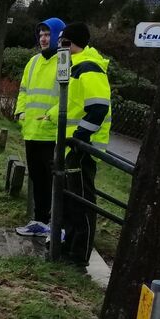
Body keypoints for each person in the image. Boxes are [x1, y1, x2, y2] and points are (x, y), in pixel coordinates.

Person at [58, 22, 112, 268]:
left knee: (82, 201)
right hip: (73, 146)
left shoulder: (89, 68)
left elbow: (98, 107)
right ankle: (69, 246)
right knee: (71, 201)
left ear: (70, 43)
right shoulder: (78, 67)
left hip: (81, 150)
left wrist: (80, 137)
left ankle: (79, 254)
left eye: (62, 41)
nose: (59, 46)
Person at [13, 17, 66, 237]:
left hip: (52, 134)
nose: (44, 39)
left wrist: (50, 116)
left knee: (55, 181)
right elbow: (24, 90)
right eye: (41, 35)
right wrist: (20, 113)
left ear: (58, 36)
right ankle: (39, 221)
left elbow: (68, 94)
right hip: (32, 132)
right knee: (38, 179)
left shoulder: (64, 61)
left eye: (48, 34)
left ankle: (57, 225)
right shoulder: (33, 62)